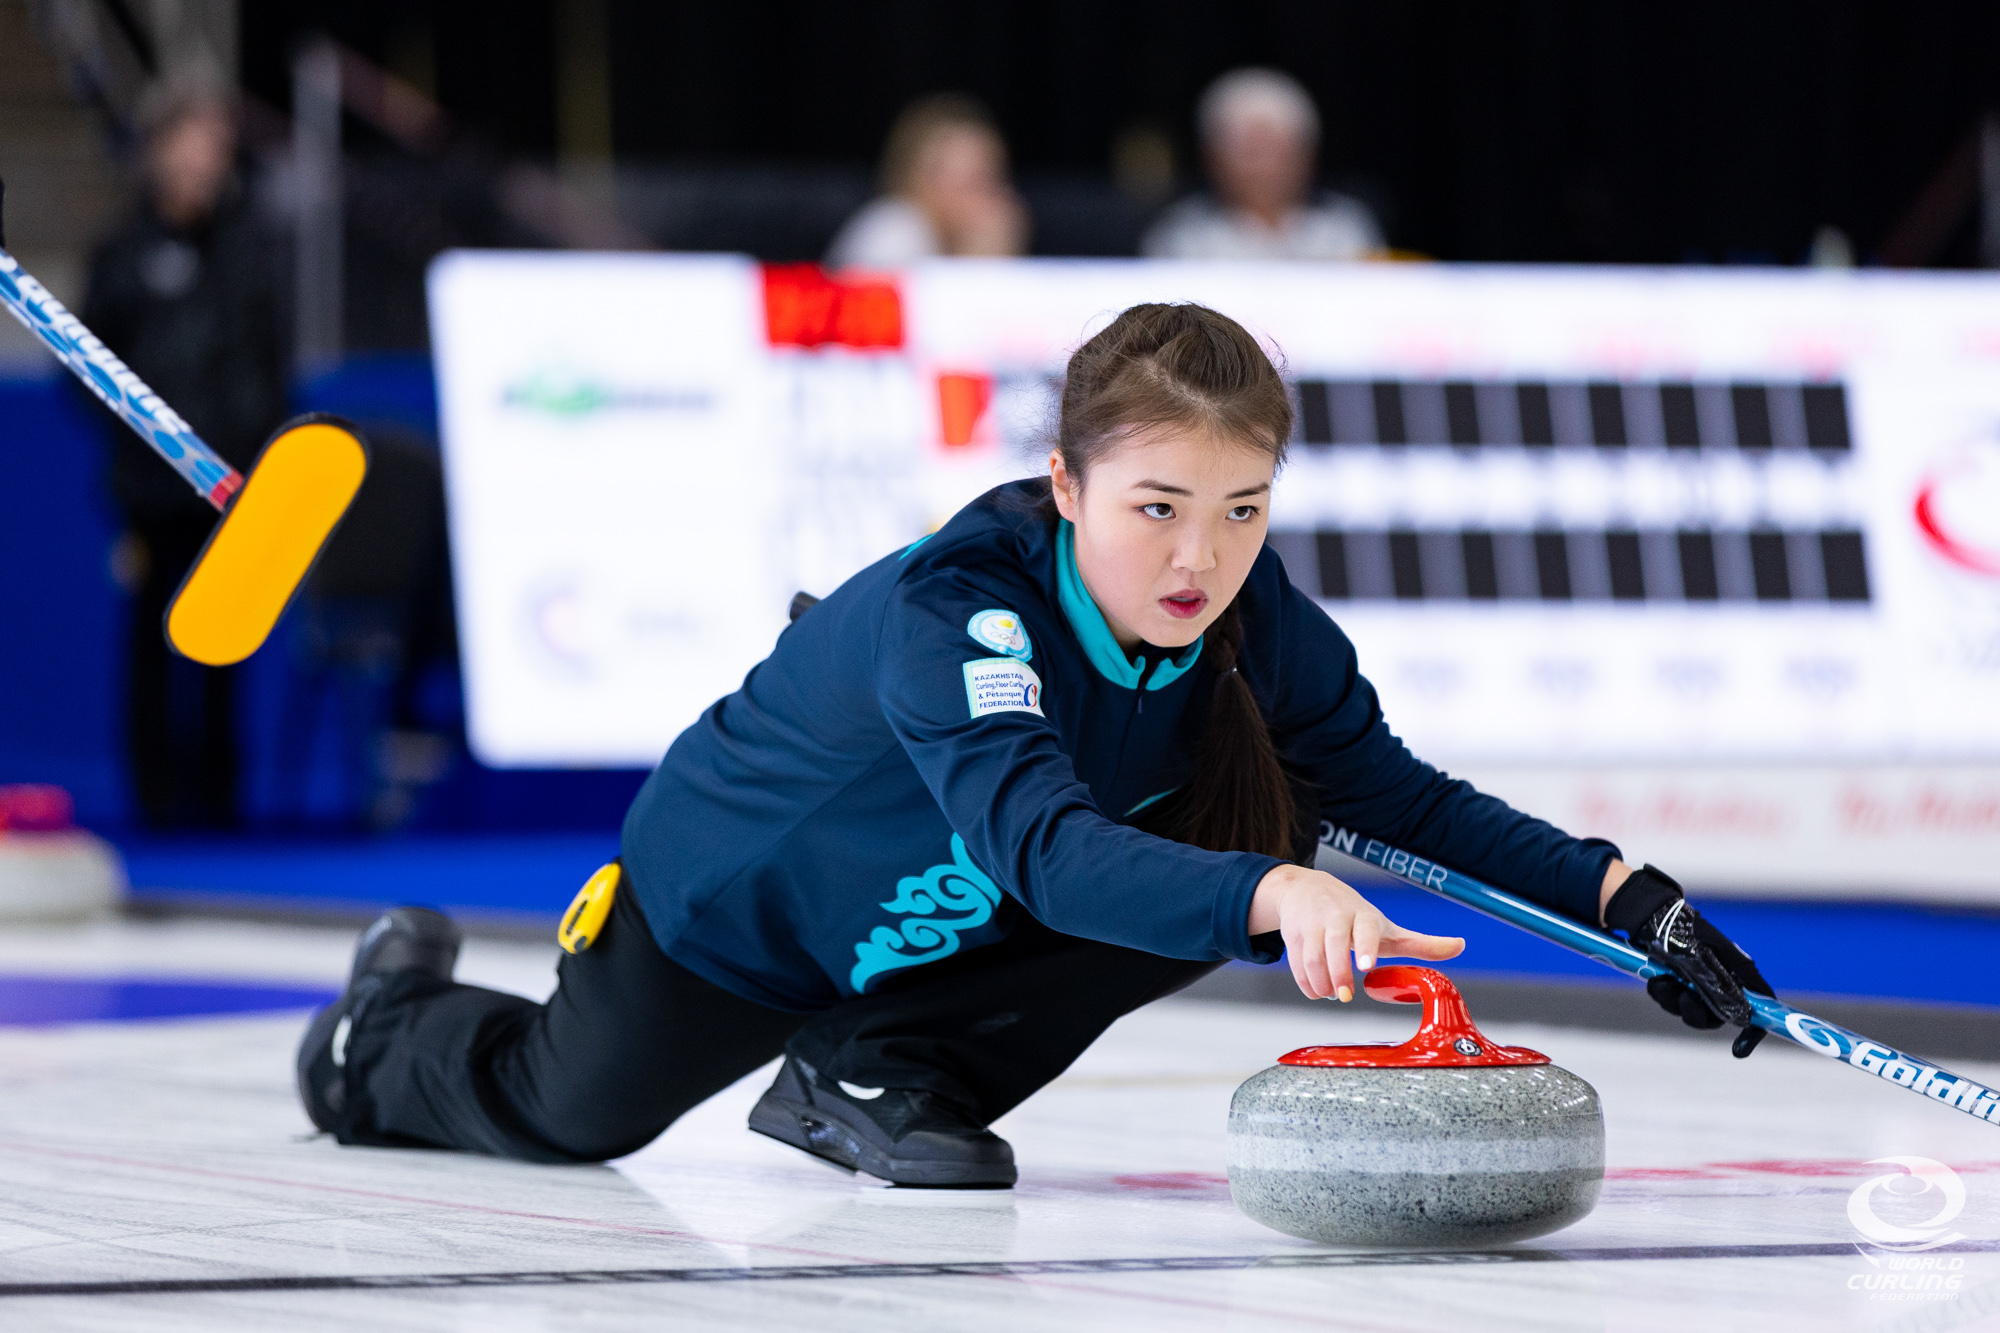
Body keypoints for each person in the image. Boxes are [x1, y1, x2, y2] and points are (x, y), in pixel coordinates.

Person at [296, 304, 1771, 1186]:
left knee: (1249, 826)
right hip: (733, 911)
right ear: (1065, 482)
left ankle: (876, 1077)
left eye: (1243, 509)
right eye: (1159, 506)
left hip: (935, 930)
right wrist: (1273, 894)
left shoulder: (1257, 625)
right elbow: (1046, 851)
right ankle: (383, 1034)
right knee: (568, 1115)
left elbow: (1397, 795)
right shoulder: (963, 612)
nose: (1203, 557)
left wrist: (1632, 904)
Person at [80, 84, 288, 828]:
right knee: (150, 638)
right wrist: (138, 448)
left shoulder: (251, 250)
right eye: (190, 144)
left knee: (224, 642)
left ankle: (219, 795)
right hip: (147, 487)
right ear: (157, 151)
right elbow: (87, 363)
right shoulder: (122, 253)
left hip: (230, 487)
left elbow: (271, 364)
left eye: (216, 147)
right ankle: (156, 796)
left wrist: (251, 456)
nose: (204, 162)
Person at [1143, 68, 1384, 262]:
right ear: (1213, 160)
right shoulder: (1181, 236)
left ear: (1308, 158)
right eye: (1250, 152)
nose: (1264, 168)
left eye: (1279, 151)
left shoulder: (1345, 229)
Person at [825, 94, 1027, 269]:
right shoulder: (894, 230)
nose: (990, 198)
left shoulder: (954, 243)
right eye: (972, 181)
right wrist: (981, 266)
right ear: (916, 179)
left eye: (993, 180)